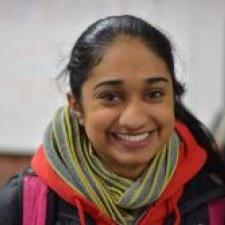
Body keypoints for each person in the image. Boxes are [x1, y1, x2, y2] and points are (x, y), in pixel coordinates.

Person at [0, 15, 225, 225]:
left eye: (154, 94)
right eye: (110, 97)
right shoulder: (24, 205)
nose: (134, 119)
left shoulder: (213, 202)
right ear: (76, 106)